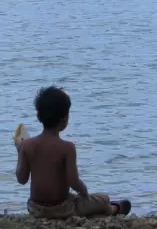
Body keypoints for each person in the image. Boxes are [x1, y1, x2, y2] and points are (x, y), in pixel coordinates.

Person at [15, 86, 131, 219]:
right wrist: (84, 192)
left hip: (35, 208)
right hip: (62, 208)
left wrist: (20, 151)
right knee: (103, 198)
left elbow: (21, 179)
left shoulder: (27, 145)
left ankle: (99, 211)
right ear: (65, 119)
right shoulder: (67, 148)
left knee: (75, 199)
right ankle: (112, 209)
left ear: (38, 116)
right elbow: (73, 181)